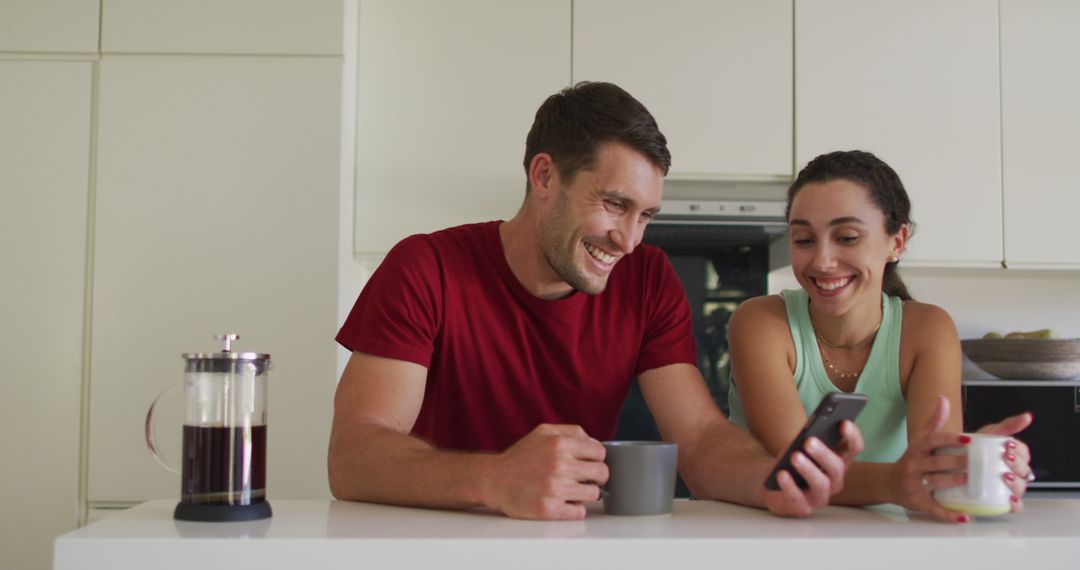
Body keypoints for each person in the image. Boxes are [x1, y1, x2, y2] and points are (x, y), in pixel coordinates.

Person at [328, 81, 864, 520]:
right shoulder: (426, 268)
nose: (629, 240)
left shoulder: (649, 278)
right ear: (544, 176)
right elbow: (354, 456)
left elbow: (699, 438)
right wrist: (495, 479)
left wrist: (771, 483)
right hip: (430, 546)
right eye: (614, 204)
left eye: (646, 216)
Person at [725, 150, 1034, 523]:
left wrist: (973, 462)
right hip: (759, 533)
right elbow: (798, 469)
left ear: (897, 241)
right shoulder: (759, 322)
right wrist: (896, 482)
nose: (822, 260)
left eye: (847, 237)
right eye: (804, 240)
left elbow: (930, 468)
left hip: (884, 538)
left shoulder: (927, 330)